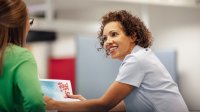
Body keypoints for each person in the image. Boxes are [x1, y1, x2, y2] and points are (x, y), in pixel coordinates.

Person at [44, 10, 189, 112]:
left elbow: (104, 105)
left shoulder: (136, 60)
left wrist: (53, 104)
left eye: (114, 34)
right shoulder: (142, 57)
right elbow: (120, 107)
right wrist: (84, 103)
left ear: (132, 36)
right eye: (105, 38)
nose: (108, 42)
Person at [0, 0, 45, 111]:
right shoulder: (20, 56)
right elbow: (35, 102)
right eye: (29, 21)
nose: (29, 27)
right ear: (19, 24)